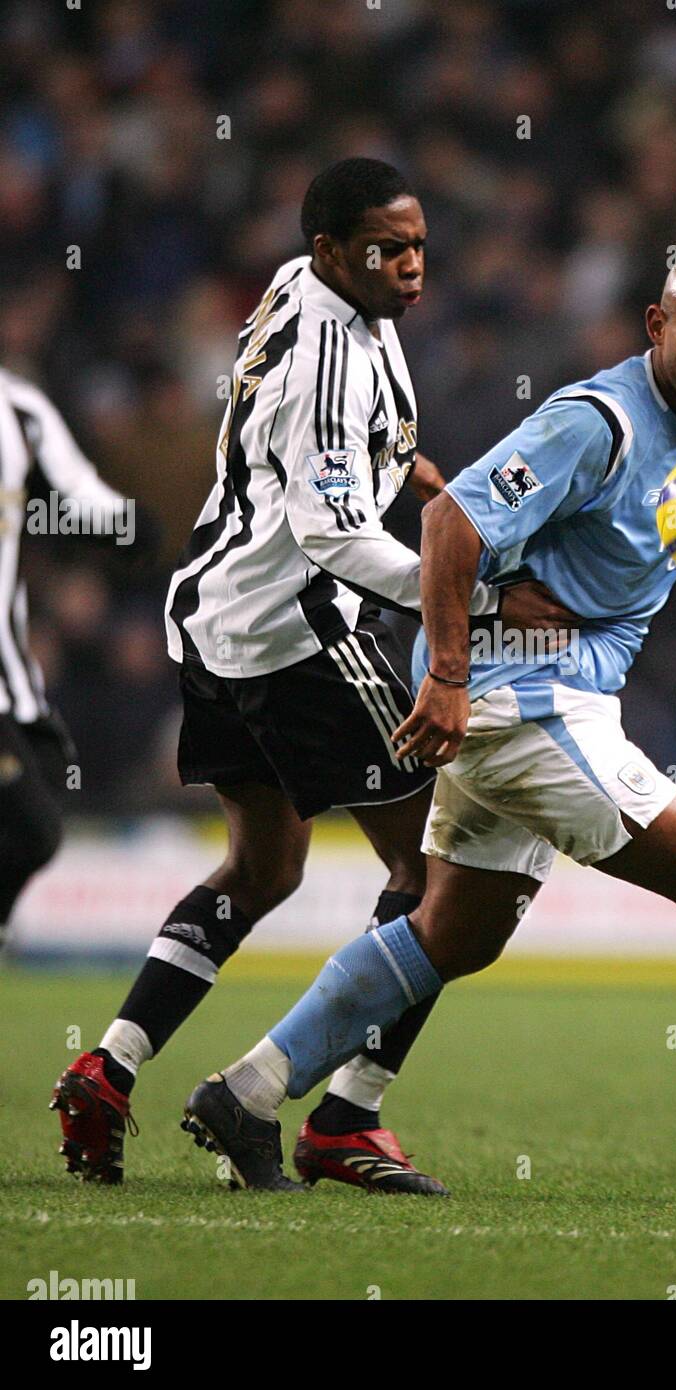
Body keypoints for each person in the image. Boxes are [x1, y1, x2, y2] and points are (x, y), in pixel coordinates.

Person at [182, 251, 676, 1191]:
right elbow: (450, 525)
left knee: (456, 933)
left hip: (551, 695)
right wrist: (444, 675)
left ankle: (248, 1091)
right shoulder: (591, 423)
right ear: (656, 326)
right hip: (518, 697)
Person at [51, 157, 572, 1193]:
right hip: (299, 640)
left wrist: (400, 463)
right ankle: (345, 1116)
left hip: (210, 621)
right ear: (335, 251)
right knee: (437, 878)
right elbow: (333, 538)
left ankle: (108, 1065)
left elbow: (311, 454)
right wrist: (470, 595)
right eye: (392, 249)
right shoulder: (327, 359)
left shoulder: (302, 282)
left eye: (421, 243)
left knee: (262, 870)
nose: (415, 266)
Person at [0, 367, 136, 951]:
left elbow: (85, 509)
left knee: (45, 802)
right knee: (35, 829)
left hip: (19, 687)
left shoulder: (21, 416)